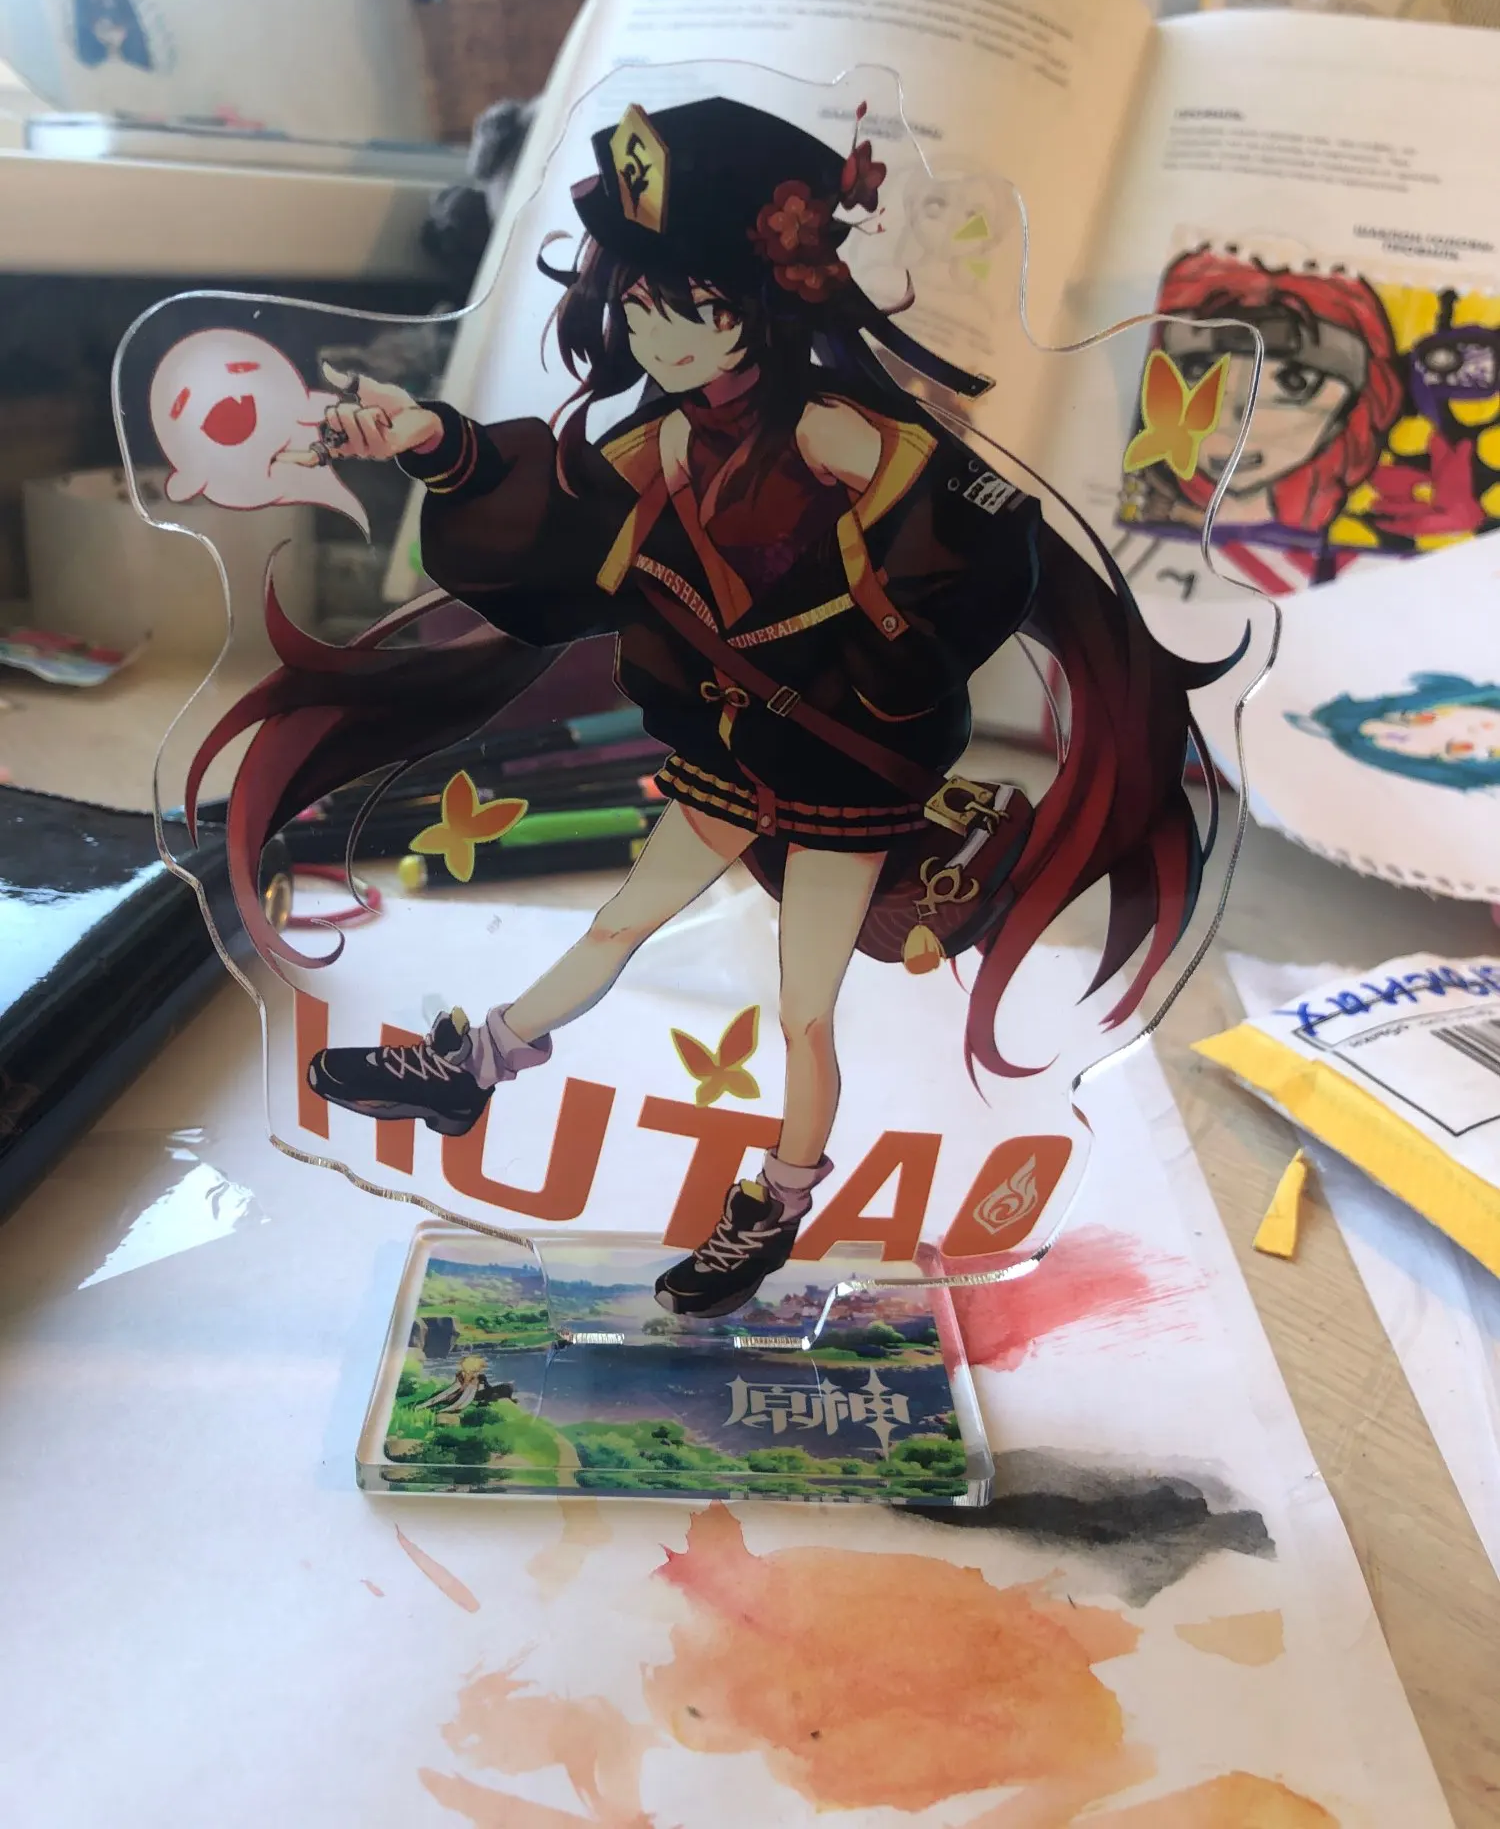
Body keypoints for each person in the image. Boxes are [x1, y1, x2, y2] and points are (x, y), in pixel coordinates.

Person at [187, 97, 1232, 1317]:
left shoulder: (842, 432)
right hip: (734, 747)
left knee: (803, 1008)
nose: (654, 332)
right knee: (620, 921)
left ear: (759, 305)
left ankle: (776, 1205)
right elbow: (559, 528)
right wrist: (437, 444)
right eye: (638, 305)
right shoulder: (666, 442)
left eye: (687, 306)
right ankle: (472, 1068)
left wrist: (882, 647)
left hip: (844, 768)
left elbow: (977, 558)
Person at [1120, 249, 1405, 574]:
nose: (1234, 421)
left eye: (1293, 382)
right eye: (1198, 370)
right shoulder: (1139, 515)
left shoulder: (1360, 553)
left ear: (1357, 403)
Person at [1290, 675, 1500, 789]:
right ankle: (1343, 723)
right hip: (1445, 720)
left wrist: (1458, 752)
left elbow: (1468, 767)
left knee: (1390, 739)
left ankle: (1345, 729)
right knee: (1391, 724)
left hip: (1436, 741)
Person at [72, 0, 153, 70]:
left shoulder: (141, 68)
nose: (108, 20)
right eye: (100, 7)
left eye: (115, 11)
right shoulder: (89, 68)